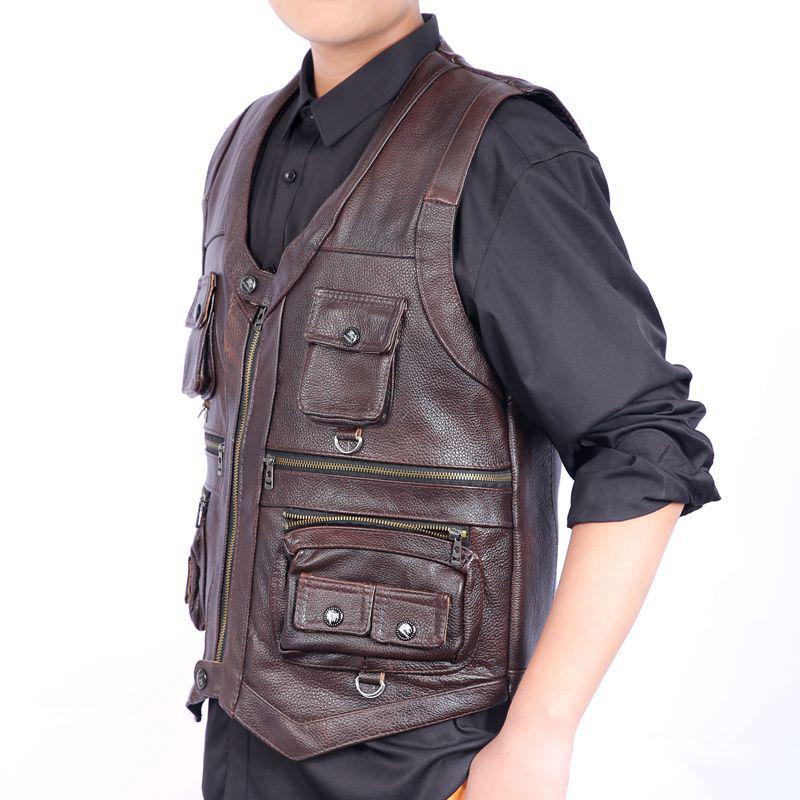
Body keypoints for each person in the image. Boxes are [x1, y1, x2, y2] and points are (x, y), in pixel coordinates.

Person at [182, 4, 720, 799]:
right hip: (239, 748)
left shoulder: (501, 148)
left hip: (428, 762)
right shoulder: (245, 142)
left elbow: (641, 443)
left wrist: (538, 740)